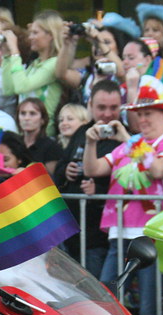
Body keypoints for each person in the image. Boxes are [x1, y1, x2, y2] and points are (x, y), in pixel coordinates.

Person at [83, 80, 163, 315]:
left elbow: (158, 170)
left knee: (149, 310)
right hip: (119, 233)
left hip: (152, 235)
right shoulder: (132, 143)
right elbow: (94, 170)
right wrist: (89, 142)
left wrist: (130, 141)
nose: (142, 119)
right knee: (107, 300)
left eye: (148, 113)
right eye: (139, 114)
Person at [54, 79, 123, 278]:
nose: (108, 114)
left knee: (98, 296)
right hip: (71, 232)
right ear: (90, 106)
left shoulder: (127, 137)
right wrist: (65, 171)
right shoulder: (81, 133)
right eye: (101, 107)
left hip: (98, 236)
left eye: (114, 108)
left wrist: (99, 191)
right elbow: (59, 167)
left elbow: (130, 182)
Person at [1, 11, 63, 134]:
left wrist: (14, 50)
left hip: (43, 135)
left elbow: (22, 87)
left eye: (35, 33)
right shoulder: (34, 65)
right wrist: (8, 55)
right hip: (25, 134)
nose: (30, 37)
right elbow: (9, 89)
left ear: (50, 35)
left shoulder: (54, 63)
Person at [17, 97, 62, 175]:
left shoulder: (51, 147)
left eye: (32, 113)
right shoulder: (14, 143)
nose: (26, 118)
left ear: (42, 120)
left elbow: (52, 179)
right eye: (23, 113)